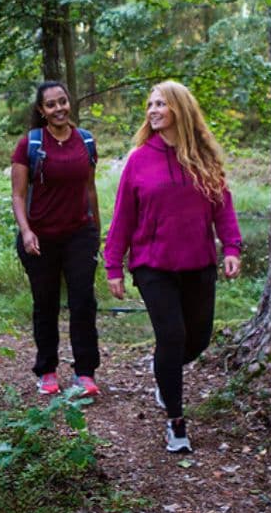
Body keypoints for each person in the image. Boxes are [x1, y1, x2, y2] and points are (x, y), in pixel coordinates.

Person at [104, 81, 242, 453]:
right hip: (153, 265)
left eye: (160, 104)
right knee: (172, 336)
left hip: (198, 263)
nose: (152, 110)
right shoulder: (138, 159)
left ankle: (163, 374)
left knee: (198, 338)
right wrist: (113, 264)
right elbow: (123, 217)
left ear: (179, 109)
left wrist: (231, 246)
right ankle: (176, 424)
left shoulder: (204, 157)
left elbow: (222, 207)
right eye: (150, 105)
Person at [11, 81, 102, 398]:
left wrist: (97, 233)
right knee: (45, 304)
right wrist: (26, 230)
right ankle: (47, 370)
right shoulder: (30, 144)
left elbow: (90, 190)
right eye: (51, 104)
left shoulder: (86, 141)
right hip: (40, 238)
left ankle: (86, 373)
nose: (59, 108)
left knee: (83, 303)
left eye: (63, 101)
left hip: (79, 234)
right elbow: (18, 195)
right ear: (41, 110)